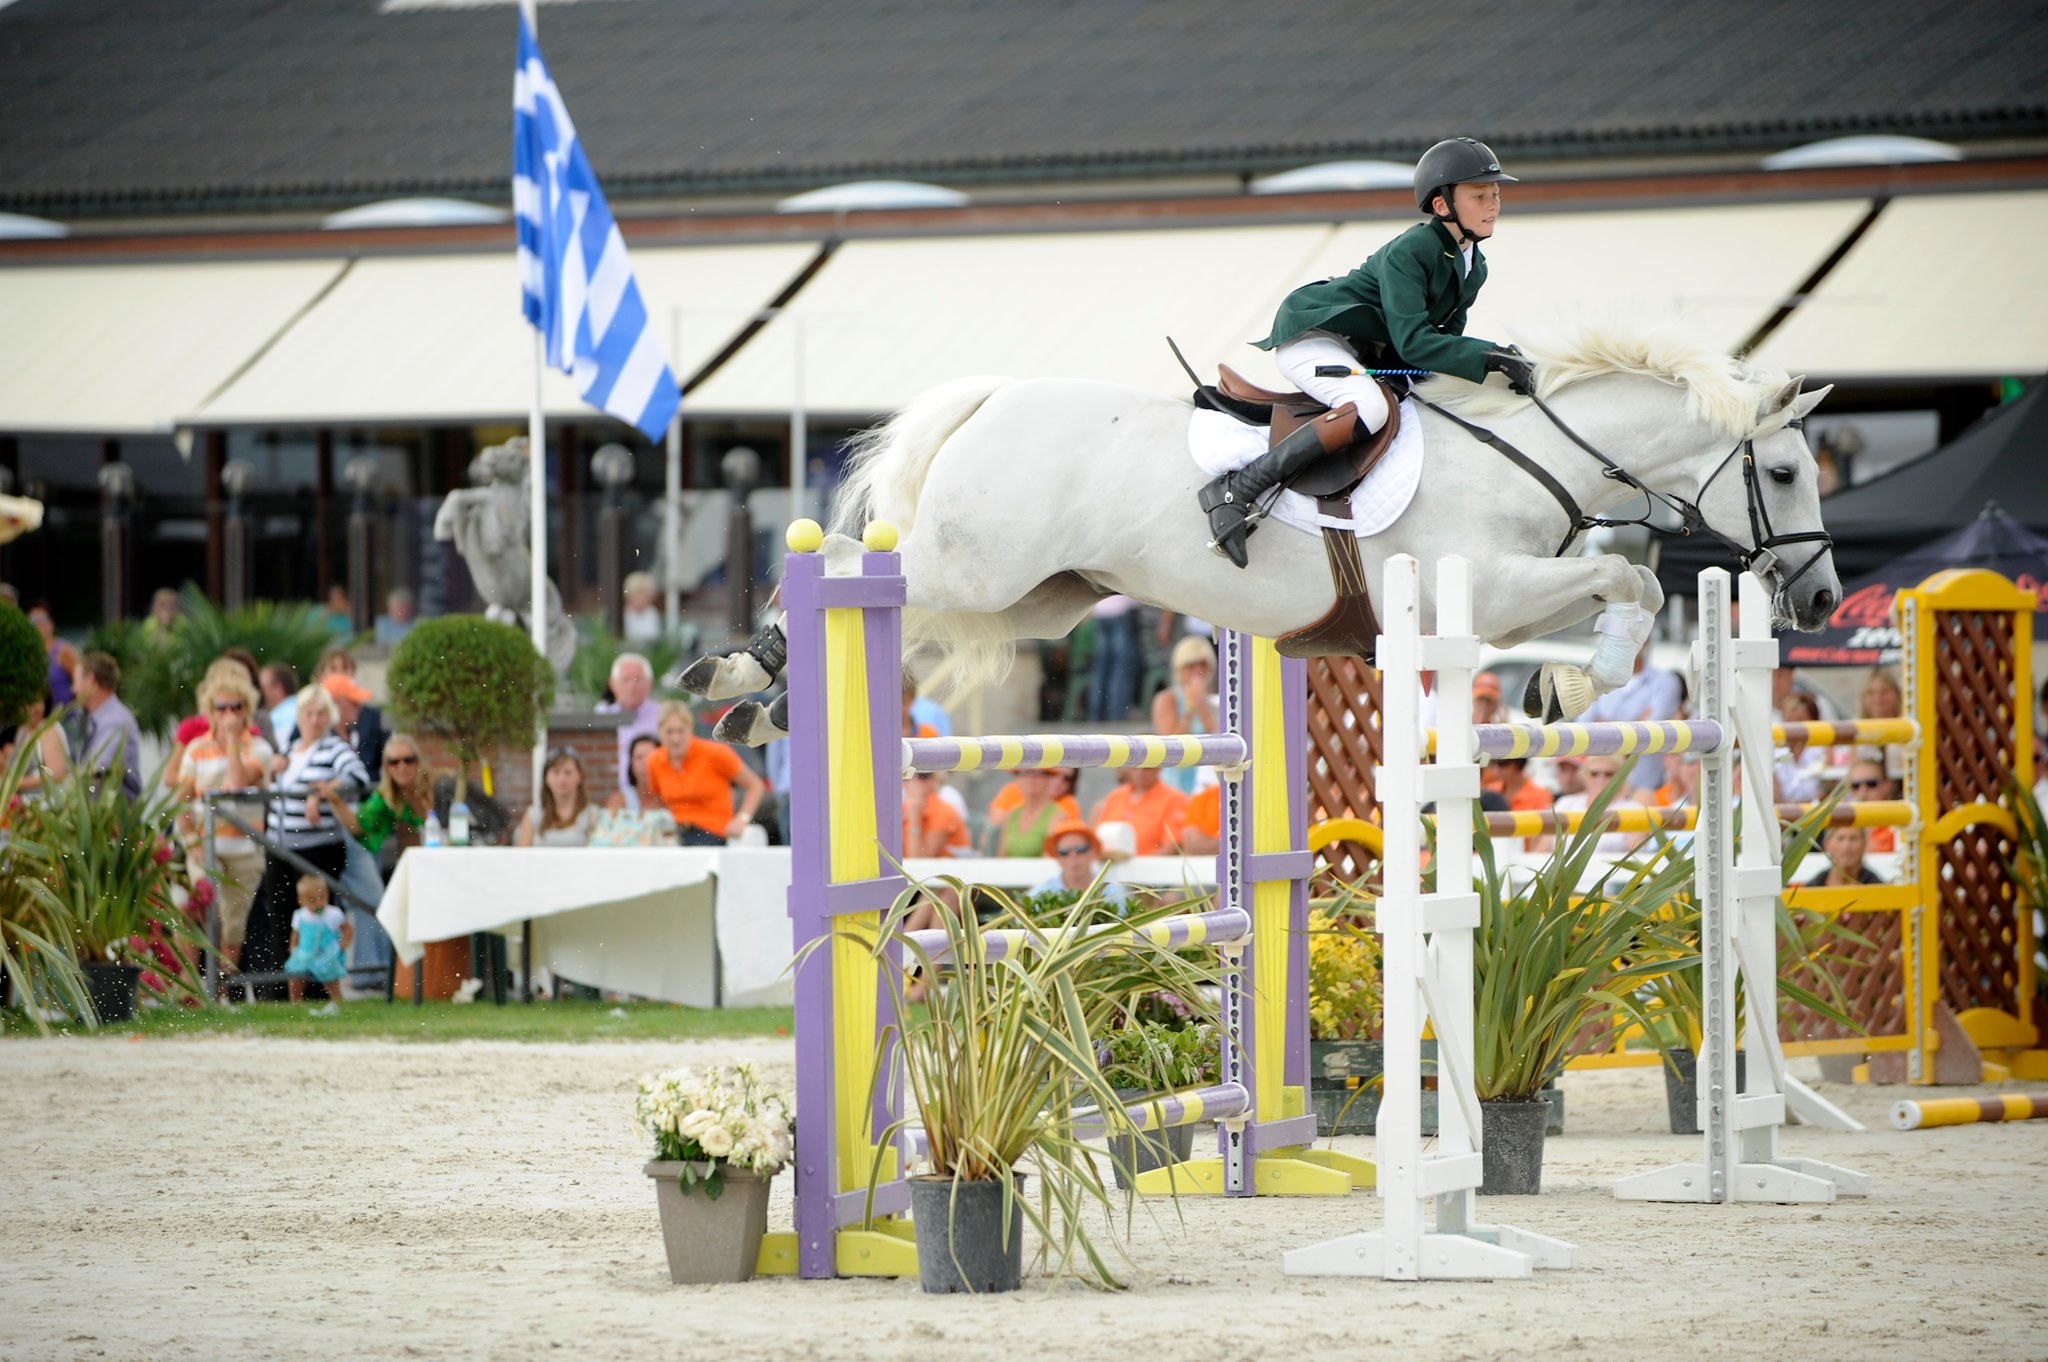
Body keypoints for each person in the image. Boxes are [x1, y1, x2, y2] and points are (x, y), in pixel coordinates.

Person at [1200, 137, 1530, 567]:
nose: (1493, 205)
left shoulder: (1475, 264)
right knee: (1368, 408)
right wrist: (1491, 357)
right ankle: (1237, 489)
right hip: (1314, 335)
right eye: (1480, 195)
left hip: (1360, 349)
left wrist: (1497, 367)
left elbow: (1441, 346)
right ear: (1443, 205)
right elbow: (1414, 342)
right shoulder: (1413, 249)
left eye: (1496, 194)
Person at [246, 683, 369, 996]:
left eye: (320, 714)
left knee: (318, 921)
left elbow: (356, 776)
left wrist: (323, 790)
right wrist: (272, 773)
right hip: (280, 848)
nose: (314, 720)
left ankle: (318, 988)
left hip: (318, 849)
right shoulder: (289, 751)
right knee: (282, 920)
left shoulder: (334, 748)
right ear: (300, 716)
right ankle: (282, 990)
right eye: (309, 713)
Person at [174, 665, 274, 981]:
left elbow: (236, 784)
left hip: (246, 849)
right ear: (210, 711)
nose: (229, 713)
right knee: (196, 903)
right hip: (207, 845)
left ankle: (219, 994)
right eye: (222, 707)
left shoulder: (259, 748)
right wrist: (191, 842)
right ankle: (191, 986)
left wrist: (232, 741)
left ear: (248, 709)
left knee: (233, 928)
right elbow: (180, 801)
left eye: (237, 706)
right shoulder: (196, 749)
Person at [645, 700, 766, 847]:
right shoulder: (654, 760)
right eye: (669, 732)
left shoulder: (714, 753)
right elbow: (656, 799)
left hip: (712, 833)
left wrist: (742, 818)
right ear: (659, 731)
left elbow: (755, 785)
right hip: (674, 833)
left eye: (680, 731)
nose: (675, 739)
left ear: (690, 728)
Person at [336, 732, 433, 872]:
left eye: (408, 760)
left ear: (418, 761)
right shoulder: (384, 796)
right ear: (386, 767)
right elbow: (358, 826)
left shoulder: (437, 786)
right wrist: (335, 801)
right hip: (416, 863)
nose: (402, 766)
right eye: (394, 762)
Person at [1151, 634, 1220, 796]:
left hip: (1207, 783)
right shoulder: (1166, 699)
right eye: (1191, 665)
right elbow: (1171, 746)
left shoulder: (1217, 701)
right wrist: (1190, 708)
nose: (1198, 670)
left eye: (1203, 664)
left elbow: (1220, 739)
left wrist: (1202, 707)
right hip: (1175, 782)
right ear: (1180, 668)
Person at [1535, 755, 1644, 856]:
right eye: (1594, 774)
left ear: (1621, 777)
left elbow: (1635, 854)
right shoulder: (1565, 804)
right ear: (1585, 776)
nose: (1601, 780)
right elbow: (1541, 850)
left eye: (1609, 774)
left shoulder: (1634, 809)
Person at [73, 651, 143, 799]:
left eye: (76, 682)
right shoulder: (101, 718)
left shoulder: (114, 721)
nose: (73, 689)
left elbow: (97, 770)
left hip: (113, 816)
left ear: (91, 680)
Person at [283, 873, 352, 1013]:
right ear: (301, 901)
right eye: (312, 900)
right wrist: (293, 948)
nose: (319, 903)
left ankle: (339, 1004)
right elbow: (295, 934)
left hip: (327, 953)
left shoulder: (333, 914)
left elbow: (348, 929)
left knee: (330, 981)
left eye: (322, 898)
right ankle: (295, 1005)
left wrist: (342, 945)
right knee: (296, 978)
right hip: (305, 953)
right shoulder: (300, 915)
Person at [1028, 819, 1130, 910]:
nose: (1073, 856)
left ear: (1094, 852)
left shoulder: (1112, 892)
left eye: (1080, 849)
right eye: (1064, 852)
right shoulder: (1040, 894)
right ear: (1057, 857)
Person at [596, 652, 661, 795]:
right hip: (609, 794)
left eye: (638, 679)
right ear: (612, 683)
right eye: (625, 679)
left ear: (650, 683)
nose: (632, 686)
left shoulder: (662, 717)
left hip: (653, 796)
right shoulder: (601, 716)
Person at [1090, 766, 1190, 858]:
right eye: (1135, 767)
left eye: (1148, 767)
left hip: (1150, 872)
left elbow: (1171, 846)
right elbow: (1097, 840)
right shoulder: (1115, 797)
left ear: (1160, 767)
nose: (1140, 772)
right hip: (1112, 870)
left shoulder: (1175, 799)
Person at [517, 748, 598, 847]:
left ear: (579, 776)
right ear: (546, 777)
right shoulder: (533, 814)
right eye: (556, 772)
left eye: (568, 772)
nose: (562, 779)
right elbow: (522, 857)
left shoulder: (592, 814)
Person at [321, 671, 387, 784]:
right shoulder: (319, 741)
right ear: (334, 704)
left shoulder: (356, 734)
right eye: (354, 702)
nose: (359, 706)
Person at [989, 767, 1065, 857]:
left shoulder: (1057, 816)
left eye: (1038, 773)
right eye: (1024, 773)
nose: (1031, 778)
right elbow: (1001, 858)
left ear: (1049, 778)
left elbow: (1049, 862)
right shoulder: (1012, 814)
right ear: (1016, 779)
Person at [12, 687, 71, 798]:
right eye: (29, 702)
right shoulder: (22, 730)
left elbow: (57, 775)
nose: (35, 708)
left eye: (38, 701)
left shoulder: (48, 730)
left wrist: (14, 783)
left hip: (48, 805)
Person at [903, 771, 971, 858]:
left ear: (933, 781)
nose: (913, 782)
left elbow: (919, 862)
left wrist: (914, 821)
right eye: (906, 776)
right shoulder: (902, 808)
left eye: (923, 776)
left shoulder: (943, 811)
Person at [27, 602, 78, 706]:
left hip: (65, 718)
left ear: (51, 623)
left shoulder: (63, 650)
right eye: (32, 619)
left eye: (42, 618)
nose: (38, 624)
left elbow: (81, 682)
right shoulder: (27, 653)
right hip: (39, 718)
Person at [1842, 758, 1898, 852]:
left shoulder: (1899, 820)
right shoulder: (1841, 824)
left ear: (1887, 785)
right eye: (1855, 785)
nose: (1863, 791)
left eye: (1871, 784)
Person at [1806, 825, 1884, 888]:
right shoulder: (1812, 889)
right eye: (1840, 838)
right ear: (1826, 844)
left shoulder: (1879, 889)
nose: (1847, 846)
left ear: (1864, 844)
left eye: (1853, 838)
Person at [260, 662, 300, 749]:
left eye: (263, 688)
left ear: (278, 688)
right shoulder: (304, 706)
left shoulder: (273, 718)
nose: (260, 693)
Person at [621, 571, 663, 646]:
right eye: (639, 594)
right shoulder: (622, 614)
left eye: (645, 595)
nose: (643, 599)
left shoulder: (652, 612)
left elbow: (656, 637)